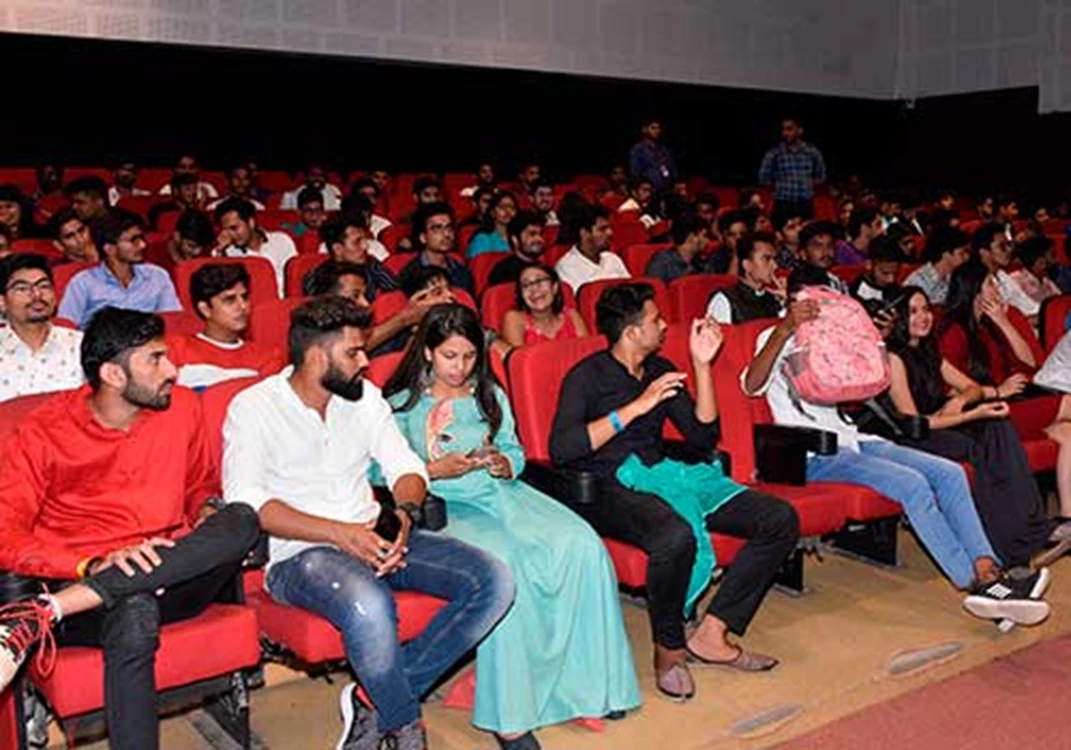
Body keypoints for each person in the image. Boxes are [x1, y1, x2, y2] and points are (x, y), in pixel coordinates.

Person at [221, 296, 514, 750]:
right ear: (318, 356)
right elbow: (249, 504)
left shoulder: (364, 399)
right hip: (300, 555)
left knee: (494, 581)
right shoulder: (254, 407)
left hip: (374, 534)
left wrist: (403, 517)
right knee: (370, 603)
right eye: (354, 352)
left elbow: (406, 468)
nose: (365, 362)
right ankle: (403, 724)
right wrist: (341, 534)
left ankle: (371, 699)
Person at [0, 307, 262, 749]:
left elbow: (199, 485)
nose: (173, 371)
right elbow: (7, 537)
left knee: (242, 518)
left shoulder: (182, 408)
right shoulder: (41, 432)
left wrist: (205, 512)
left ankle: (49, 610)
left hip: (175, 571)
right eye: (155, 360)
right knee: (134, 608)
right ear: (113, 375)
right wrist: (93, 563)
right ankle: (89, 595)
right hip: (91, 595)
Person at [384, 304, 640, 748]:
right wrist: (433, 470)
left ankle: (589, 685)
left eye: (468, 357)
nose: (461, 367)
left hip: (503, 494)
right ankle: (512, 713)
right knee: (510, 564)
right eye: (450, 357)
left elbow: (515, 451)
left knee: (581, 544)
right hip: (445, 507)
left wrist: (505, 462)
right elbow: (376, 474)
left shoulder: (488, 394)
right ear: (427, 352)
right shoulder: (401, 405)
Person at [743, 267, 1051, 626]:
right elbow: (751, 385)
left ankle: (987, 570)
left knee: (949, 474)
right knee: (913, 484)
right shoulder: (770, 335)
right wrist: (785, 330)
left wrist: (871, 342)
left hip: (855, 439)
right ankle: (978, 585)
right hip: (811, 451)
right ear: (791, 298)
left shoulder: (838, 333)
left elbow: (867, 388)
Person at [550, 284, 798, 700]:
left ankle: (712, 633)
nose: (664, 326)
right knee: (675, 536)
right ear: (631, 332)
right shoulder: (587, 376)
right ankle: (669, 650)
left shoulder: (661, 368)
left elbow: (702, 436)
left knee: (779, 519)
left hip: (662, 473)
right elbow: (563, 449)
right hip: (605, 484)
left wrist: (702, 365)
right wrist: (634, 408)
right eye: (655, 320)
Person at [884, 287, 1056, 564]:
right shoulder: (893, 358)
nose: (924, 317)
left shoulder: (929, 352)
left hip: (940, 421)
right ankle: (1001, 546)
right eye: (913, 311)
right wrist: (967, 415)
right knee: (975, 446)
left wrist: (962, 399)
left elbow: (973, 387)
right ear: (899, 318)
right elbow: (914, 423)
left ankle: (1033, 526)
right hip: (909, 435)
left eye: (926, 309)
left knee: (998, 423)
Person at [938, 262, 1071, 532]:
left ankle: (1067, 518)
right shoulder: (954, 331)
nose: (998, 288)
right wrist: (997, 391)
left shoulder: (990, 326)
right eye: (990, 284)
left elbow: (1030, 364)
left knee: (1068, 432)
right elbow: (947, 388)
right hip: (984, 414)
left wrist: (1002, 321)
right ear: (974, 291)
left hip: (1011, 402)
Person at [167, 263, 283, 389]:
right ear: (205, 309)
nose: (243, 306)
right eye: (230, 300)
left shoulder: (268, 356)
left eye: (244, 297)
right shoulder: (175, 348)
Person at [58, 212, 181, 328]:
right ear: (110, 249)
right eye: (133, 240)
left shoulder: (157, 276)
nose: (142, 245)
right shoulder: (83, 283)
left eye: (141, 238)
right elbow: (65, 329)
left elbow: (173, 323)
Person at [0, 253, 84, 401]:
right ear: (2, 302)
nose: (37, 295)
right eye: (22, 289)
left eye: (44, 286)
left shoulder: (80, 345)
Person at [214, 197, 296, 296]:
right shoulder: (225, 253)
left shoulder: (281, 240)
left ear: (251, 222)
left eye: (234, 228)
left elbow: (295, 278)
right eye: (226, 230)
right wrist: (222, 252)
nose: (230, 235)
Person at [758, 117, 827, 227]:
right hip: (783, 204)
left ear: (800, 130)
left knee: (807, 236)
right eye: (783, 130)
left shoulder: (812, 152)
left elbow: (821, 176)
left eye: (789, 129)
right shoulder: (775, 153)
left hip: (805, 204)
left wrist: (807, 188)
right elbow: (763, 178)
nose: (785, 133)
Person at [500, 264, 588, 349]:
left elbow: (589, 354)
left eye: (540, 281)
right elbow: (518, 361)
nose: (534, 289)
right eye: (526, 285)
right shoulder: (515, 319)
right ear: (521, 295)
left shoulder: (572, 316)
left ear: (554, 287)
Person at [707, 232, 785, 324]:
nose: (775, 266)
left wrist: (787, 301)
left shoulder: (774, 299)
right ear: (747, 265)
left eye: (774, 259)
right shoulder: (725, 300)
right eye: (766, 259)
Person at [400, 202, 475, 297]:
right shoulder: (410, 274)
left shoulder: (461, 272)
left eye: (449, 228)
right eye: (437, 229)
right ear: (423, 237)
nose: (446, 234)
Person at [972, 223, 1039, 321]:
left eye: (1009, 245)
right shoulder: (978, 282)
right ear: (984, 252)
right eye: (1002, 246)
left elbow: (1030, 307)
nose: (1009, 250)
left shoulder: (1002, 275)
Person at [555, 204, 629, 293]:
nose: (610, 233)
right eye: (602, 229)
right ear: (584, 233)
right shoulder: (566, 267)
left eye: (609, 228)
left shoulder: (613, 259)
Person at [320, 214, 397, 299]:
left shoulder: (373, 266)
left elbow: (397, 293)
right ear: (338, 249)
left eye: (365, 240)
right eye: (357, 242)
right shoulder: (317, 278)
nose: (365, 246)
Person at [903, 225, 971, 305]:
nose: (967, 257)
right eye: (962, 253)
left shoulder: (957, 277)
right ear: (946, 254)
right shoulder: (917, 282)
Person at [645, 212, 712, 284]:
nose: (708, 241)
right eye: (704, 236)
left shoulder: (701, 264)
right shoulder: (662, 262)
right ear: (691, 237)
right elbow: (653, 290)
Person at [487, 211, 546, 288]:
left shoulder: (544, 268)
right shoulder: (504, 272)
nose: (539, 239)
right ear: (515, 240)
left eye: (540, 234)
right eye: (532, 234)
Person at [848, 235, 905, 306]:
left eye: (896, 273)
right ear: (869, 265)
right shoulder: (855, 291)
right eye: (885, 273)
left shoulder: (896, 291)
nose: (891, 279)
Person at [1009, 235, 1061, 309]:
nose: (1057, 260)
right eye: (1053, 255)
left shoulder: (1046, 280)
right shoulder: (1015, 281)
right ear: (1040, 261)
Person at [795, 220, 848, 293]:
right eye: (818, 246)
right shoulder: (798, 283)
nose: (826, 252)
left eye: (829, 246)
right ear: (803, 253)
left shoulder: (836, 281)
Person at [628, 118, 677, 193]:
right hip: (649, 190)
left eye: (658, 128)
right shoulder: (638, 149)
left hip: (667, 189)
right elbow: (636, 172)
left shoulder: (664, 150)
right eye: (653, 128)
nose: (657, 131)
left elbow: (672, 169)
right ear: (644, 130)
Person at [467, 191, 518, 258]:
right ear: (492, 212)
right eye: (502, 207)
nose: (507, 211)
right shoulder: (482, 239)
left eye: (511, 207)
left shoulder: (519, 237)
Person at [279, 162, 343, 211]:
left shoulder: (334, 190)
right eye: (313, 175)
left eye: (320, 175)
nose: (317, 178)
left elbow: (336, 211)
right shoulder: (297, 192)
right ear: (306, 177)